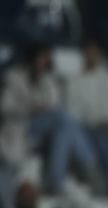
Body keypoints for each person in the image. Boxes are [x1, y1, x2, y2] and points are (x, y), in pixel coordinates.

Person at [0, 44, 98, 195]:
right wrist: (30, 108)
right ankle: (89, 165)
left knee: (64, 130)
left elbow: (54, 103)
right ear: (33, 58)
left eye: (47, 59)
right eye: (42, 58)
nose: (45, 62)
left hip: (43, 128)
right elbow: (5, 107)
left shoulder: (47, 79)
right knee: (63, 118)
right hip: (21, 126)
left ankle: (55, 181)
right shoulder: (14, 77)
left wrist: (43, 108)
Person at [66, 40, 108, 203]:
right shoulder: (75, 81)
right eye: (89, 53)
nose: (92, 56)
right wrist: (97, 122)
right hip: (89, 128)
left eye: (95, 53)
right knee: (102, 137)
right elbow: (73, 112)